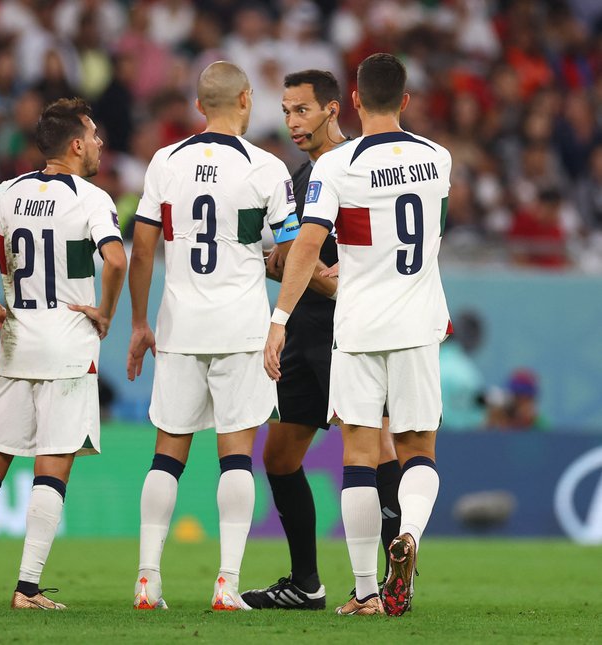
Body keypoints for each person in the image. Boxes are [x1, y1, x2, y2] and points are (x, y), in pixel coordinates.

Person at [264, 53, 451, 617]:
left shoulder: (336, 166)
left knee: (360, 456)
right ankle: (410, 535)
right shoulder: (438, 159)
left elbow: (307, 243)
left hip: (359, 324)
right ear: (407, 101)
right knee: (417, 449)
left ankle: (367, 591)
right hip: (418, 322)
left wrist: (278, 320)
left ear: (352, 104)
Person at [0, 97, 126, 610]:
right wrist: (104, 311)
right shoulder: (91, 198)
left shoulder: (6, 193)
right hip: (67, 344)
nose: (101, 144)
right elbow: (117, 260)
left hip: (17, 339)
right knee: (52, 466)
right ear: (77, 144)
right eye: (95, 135)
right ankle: (27, 589)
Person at [127, 61, 292, 611]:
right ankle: (227, 583)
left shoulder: (165, 162)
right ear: (246, 99)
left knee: (167, 456)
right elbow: (295, 247)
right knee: (236, 457)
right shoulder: (266, 167)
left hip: (178, 326)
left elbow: (144, 248)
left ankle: (148, 580)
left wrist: (139, 322)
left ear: (200, 106)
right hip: (242, 326)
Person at [242, 70, 403, 610]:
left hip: (348, 332)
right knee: (281, 457)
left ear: (333, 109)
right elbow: (299, 261)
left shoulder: (357, 167)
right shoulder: (300, 174)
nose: (292, 122)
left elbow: (348, 269)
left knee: (373, 448)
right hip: (302, 330)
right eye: (286, 111)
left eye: (302, 110)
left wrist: (301, 270)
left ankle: (388, 582)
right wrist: (281, 268)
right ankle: (306, 584)